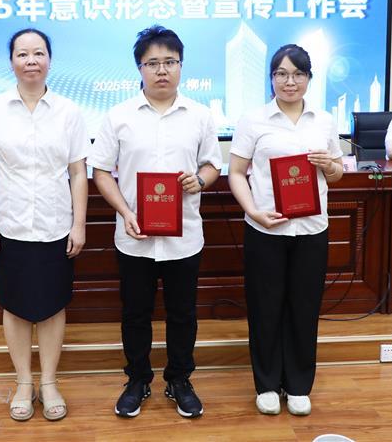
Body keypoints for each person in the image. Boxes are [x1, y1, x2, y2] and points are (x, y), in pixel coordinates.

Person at [88, 25, 222, 420]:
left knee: (183, 315)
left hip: (184, 236)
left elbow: (213, 165)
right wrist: (125, 212)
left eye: (170, 62)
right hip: (135, 235)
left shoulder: (200, 115)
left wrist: (200, 181)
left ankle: (179, 380)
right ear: (139, 68)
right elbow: (100, 171)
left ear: (181, 66)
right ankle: (137, 379)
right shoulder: (118, 116)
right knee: (135, 314)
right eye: (152, 63)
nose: (162, 70)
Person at [0, 28, 89, 422]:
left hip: (56, 225)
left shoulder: (69, 111)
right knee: (16, 306)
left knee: (53, 306)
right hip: (11, 224)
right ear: (11, 62)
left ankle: (49, 382)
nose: (31, 60)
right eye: (23, 54)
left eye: (38, 53)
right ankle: (23, 382)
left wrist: (79, 225)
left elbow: (78, 172)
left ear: (50, 60)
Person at [227, 43, 343, 417]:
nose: (289, 81)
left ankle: (297, 385)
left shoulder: (324, 121)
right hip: (266, 229)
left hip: (311, 228)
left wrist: (329, 165)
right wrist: (253, 211)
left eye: (297, 74)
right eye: (281, 74)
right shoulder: (253, 120)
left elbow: (337, 174)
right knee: (265, 307)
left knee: (304, 308)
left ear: (309, 78)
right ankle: (265, 384)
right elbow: (236, 173)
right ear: (271, 78)